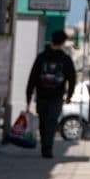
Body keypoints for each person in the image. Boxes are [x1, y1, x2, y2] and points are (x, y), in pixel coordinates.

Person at [25, 30, 77, 159]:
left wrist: (28, 95)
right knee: (52, 122)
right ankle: (48, 147)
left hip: (41, 95)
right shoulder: (65, 59)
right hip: (57, 96)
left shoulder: (41, 57)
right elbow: (72, 78)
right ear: (63, 42)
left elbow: (33, 77)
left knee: (43, 121)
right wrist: (69, 95)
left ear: (52, 39)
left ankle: (44, 145)